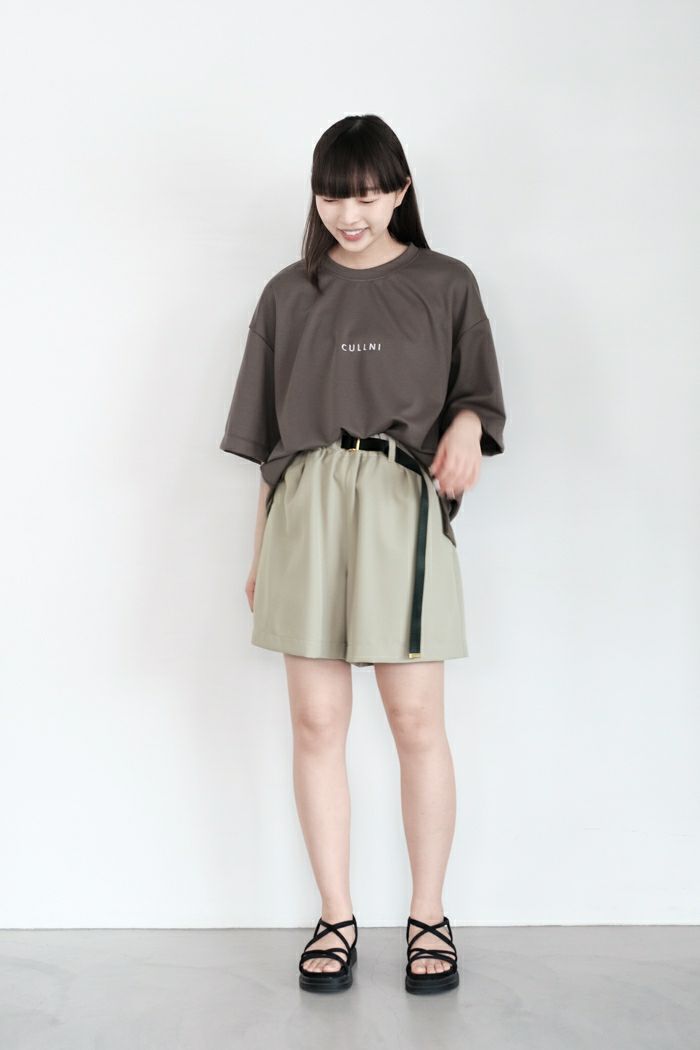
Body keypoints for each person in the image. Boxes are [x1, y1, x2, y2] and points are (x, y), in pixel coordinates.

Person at [219, 114, 507, 995]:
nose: (351, 213)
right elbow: (269, 444)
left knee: (417, 722)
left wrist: (466, 424)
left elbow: (478, 394)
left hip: (399, 506)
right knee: (316, 723)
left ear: (401, 191)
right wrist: (261, 552)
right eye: (334, 196)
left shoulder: (445, 282)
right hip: (304, 508)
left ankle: (429, 915)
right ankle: (335, 915)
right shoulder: (287, 294)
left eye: (371, 194)